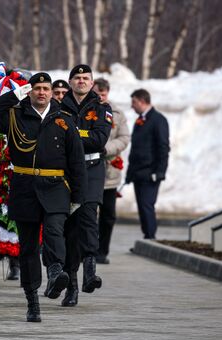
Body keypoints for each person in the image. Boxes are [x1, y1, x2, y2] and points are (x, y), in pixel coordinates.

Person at [0, 72, 86, 322]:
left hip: (56, 186)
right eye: (36, 88)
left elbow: (77, 161)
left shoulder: (64, 119)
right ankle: (32, 300)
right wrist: (14, 94)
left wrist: (79, 197)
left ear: (52, 92)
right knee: (28, 247)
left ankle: (56, 271)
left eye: (46, 88)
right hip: (25, 186)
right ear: (30, 91)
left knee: (53, 231)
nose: (41, 92)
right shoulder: (15, 115)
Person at [60, 65, 112, 307]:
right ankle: (71, 284)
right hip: (65, 172)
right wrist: (82, 135)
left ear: (92, 83)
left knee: (89, 217)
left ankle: (90, 270)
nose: (81, 81)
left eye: (85, 78)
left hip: (91, 170)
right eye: (77, 78)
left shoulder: (102, 108)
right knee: (69, 228)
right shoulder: (58, 106)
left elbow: (99, 140)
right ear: (70, 82)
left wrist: (72, 135)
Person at [92, 78, 130, 264]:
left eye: (103, 94)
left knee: (108, 216)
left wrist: (107, 148)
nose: (100, 97)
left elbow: (124, 137)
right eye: (97, 93)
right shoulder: (86, 110)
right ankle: (86, 250)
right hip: (88, 171)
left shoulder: (117, 113)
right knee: (87, 214)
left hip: (109, 174)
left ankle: (102, 251)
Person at [125, 89, 169, 239]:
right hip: (139, 173)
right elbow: (135, 149)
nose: (132, 106)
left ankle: (150, 237)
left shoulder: (158, 120)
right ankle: (147, 236)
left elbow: (163, 147)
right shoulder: (140, 120)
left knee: (147, 206)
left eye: (134, 102)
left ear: (142, 101)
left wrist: (160, 171)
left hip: (151, 173)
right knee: (142, 206)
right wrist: (130, 173)